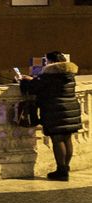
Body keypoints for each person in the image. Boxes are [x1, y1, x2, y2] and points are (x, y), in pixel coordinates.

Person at [21, 51, 81, 180]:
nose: (45, 63)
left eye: (46, 61)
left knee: (57, 139)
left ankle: (61, 171)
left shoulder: (49, 76)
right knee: (67, 138)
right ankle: (65, 167)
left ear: (51, 62)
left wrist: (25, 81)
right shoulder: (69, 74)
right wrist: (36, 79)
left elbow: (34, 88)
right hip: (70, 109)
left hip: (55, 110)